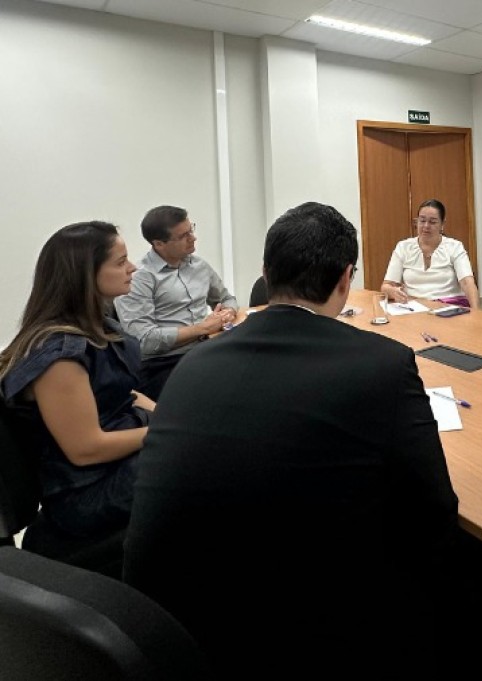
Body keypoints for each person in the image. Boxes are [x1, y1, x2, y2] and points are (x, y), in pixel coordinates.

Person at [123, 202, 460, 679]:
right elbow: (434, 510)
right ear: (345, 279)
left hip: (169, 631)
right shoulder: (383, 364)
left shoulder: (193, 364)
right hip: (303, 637)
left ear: (266, 274)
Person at [0, 222, 153, 539]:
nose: (132, 267)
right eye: (120, 262)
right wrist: (166, 433)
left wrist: (172, 417)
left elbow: (126, 394)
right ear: (86, 274)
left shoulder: (100, 327)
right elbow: (86, 449)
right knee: (198, 466)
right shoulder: (59, 356)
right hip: (87, 491)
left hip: (115, 465)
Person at [115, 205, 237, 399]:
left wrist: (228, 312)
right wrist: (201, 329)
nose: (193, 238)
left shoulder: (199, 266)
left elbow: (226, 299)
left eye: (191, 230)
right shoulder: (140, 278)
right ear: (159, 244)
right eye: (183, 236)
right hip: (163, 363)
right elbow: (144, 340)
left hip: (205, 349)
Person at [381, 198, 480, 308]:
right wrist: (393, 292)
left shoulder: (455, 247)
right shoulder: (403, 247)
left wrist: (476, 313)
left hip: (449, 307)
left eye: (432, 222)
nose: (426, 226)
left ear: (442, 224)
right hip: (415, 307)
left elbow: (467, 282)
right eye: (422, 220)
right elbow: (386, 286)